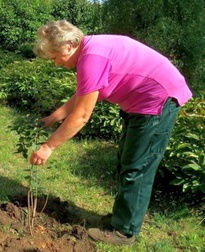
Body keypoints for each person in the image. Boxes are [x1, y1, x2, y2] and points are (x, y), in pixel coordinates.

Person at [30, 20, 192, 245]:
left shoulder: (92, 58)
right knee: (127, 161)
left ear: (67, 46)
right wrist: (53, 118)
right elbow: (82, 96)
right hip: (140, 103)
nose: (55, 63)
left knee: (137, 167)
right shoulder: (90, 51)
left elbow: (82, 116)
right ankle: (122, 218)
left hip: (157, 101)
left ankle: (124, 232)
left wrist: (48, 147)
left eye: (54, 56)